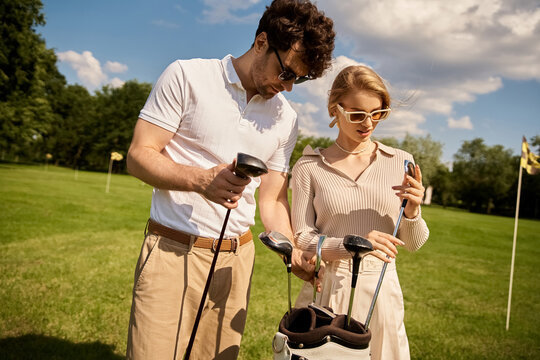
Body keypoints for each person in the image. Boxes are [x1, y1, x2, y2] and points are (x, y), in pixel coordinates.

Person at [125, 1, 335, 359]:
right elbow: (139, 155)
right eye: (286, 73)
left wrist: (292, 251)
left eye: (298, 79)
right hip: (172, 251)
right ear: (260, 42)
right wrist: (199, 180)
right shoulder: (187, 76)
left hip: (237, 260)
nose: (287, 87)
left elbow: (270, 199)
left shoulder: (286, 119)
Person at [291, 65, 429, 360]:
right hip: (329, 287)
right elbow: (303, 238)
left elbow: (414, 244)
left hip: (382, 289)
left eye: (378, 113)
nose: (368, 123)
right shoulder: (309, 167)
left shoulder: (401, 161)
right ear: (334, 109)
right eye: (357, 114)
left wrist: (413, 211)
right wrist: (351, 245)